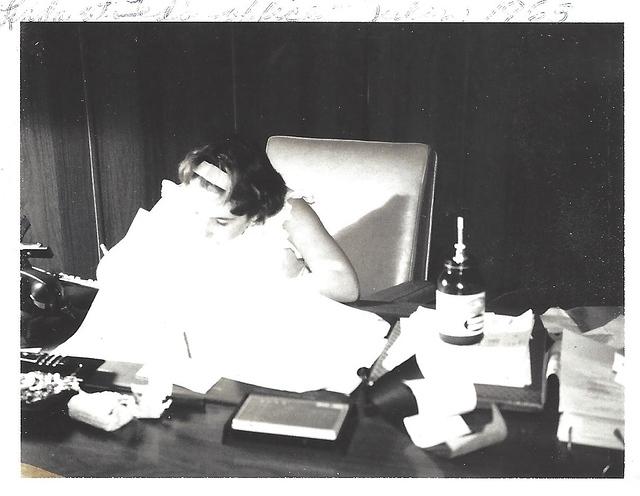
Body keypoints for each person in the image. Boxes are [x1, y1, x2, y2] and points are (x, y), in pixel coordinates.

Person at [170, 136, 360, 303]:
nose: (204, 231)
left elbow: (346, 286)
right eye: (196, 214)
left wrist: (288, 283)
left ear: (255, 215)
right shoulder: (189, 196)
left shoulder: (288, 212)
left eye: (221, 221)